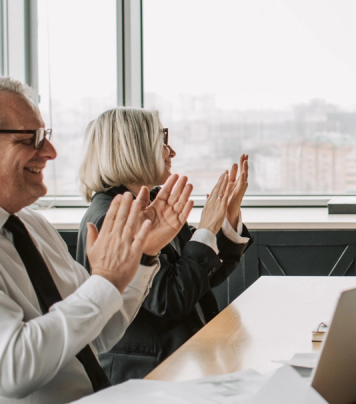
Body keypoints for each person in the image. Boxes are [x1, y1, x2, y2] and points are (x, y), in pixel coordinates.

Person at [0, 76, 193, 403]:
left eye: (46, 136)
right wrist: (106, 280)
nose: (50, 152)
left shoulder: (33, 225)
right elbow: (11, 368)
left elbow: (97, 333)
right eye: (31, 138)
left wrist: (143, 256)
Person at [75, 107, 252, 384]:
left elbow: (200, 277)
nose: (171, 152)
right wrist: (206, 228)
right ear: (133, 149)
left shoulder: (154, 201)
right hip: (148, 376)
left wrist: (224, 220)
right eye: (162, 141)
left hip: (186, 361)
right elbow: (170, 300)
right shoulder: (111, 215)